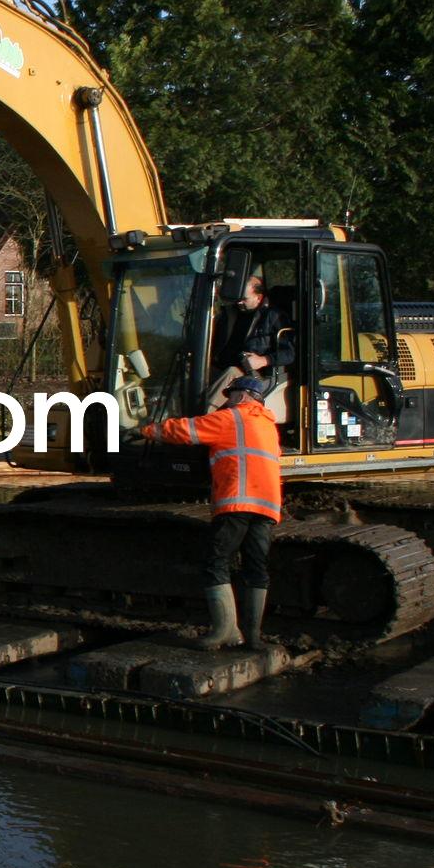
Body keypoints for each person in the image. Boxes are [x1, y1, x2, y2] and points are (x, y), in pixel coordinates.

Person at [137, 375, 282, 650]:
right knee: (256, 567)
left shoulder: (231, 418)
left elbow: (186, 430)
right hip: (266, 506)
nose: (227, 401)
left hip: (237, 502)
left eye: (231, 395)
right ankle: (252, 637)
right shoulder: (267, 424)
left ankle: (224, 631)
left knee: (216, 562)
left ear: (242, 396)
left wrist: (147, 430)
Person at [205, 276, 288, 409]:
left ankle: (202, 417)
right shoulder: (229, 314)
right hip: (220, 365)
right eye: (238, 298)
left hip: (252, 374)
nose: (240, 302)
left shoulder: (274, 317)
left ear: (258, 297)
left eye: (244, 299)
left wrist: (264, 360)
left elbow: (290, 353)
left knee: (231, 372)